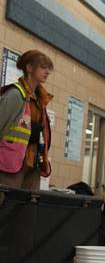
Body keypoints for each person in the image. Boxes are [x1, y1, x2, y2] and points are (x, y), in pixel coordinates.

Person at [0, 49, 53, 190]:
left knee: (26, 210)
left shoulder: (41, 100)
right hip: (11, 166)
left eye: (48, 68)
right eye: (43, 67)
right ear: (29, 68)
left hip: (32, 165)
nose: (47, 72)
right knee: (6, 209)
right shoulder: (15, 95)